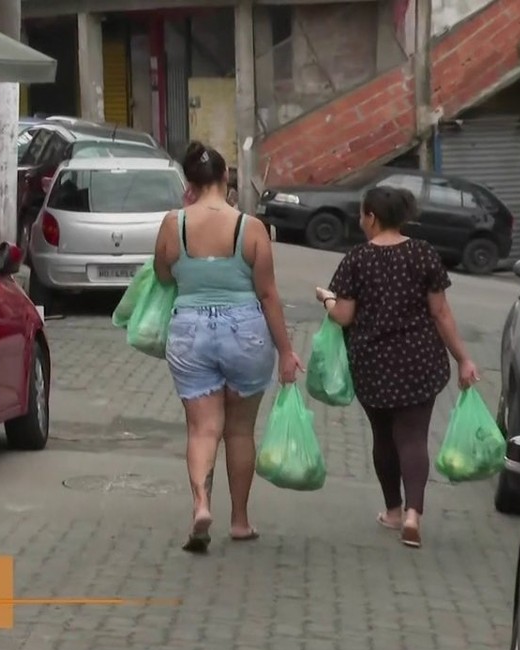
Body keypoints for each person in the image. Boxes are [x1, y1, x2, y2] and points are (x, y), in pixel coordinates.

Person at [153, 141, 303, 554]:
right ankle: (239, 520)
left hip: (190, 331)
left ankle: (201, 505)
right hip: (246, 332)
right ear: (225, 179)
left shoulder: (173, 223)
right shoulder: (249, 228)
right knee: (239, 430)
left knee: (203, 428)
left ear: (190, 183)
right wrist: (286, 351)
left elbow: (163, 276)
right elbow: (269, 295)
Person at [315, 186, 479, 549]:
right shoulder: (424, 254)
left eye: (362, 214)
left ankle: (392, 510)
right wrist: (463, 358)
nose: (360, 221)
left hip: (372, 362)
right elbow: (441, 312)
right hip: (420, 360)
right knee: (413, 437)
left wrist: (326, 298)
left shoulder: (356, 259)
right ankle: (413, 514)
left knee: (384, 437)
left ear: (371, 216)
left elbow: (343, 315)